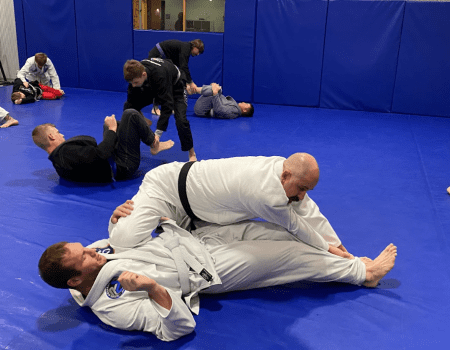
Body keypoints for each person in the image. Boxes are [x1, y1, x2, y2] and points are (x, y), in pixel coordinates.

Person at [38, 200, 398, 342]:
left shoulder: (97, 254)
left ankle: (350, 261)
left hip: (191, 239)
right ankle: (362, 274)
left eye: (83, 246)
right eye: (82, 256)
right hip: (207, 270)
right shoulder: (112, 305)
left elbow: (115, 242)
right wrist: (152, 289)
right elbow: (177, 328)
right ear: (75, 280)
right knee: (289, 256)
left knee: (276, 229)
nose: (91, 250)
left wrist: (116, 219)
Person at [108, 152, 355, 259]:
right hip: (167, 188)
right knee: (123, 240)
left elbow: (309, 211)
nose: (302, 196)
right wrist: (331, 250)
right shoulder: (265, 194)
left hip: (195, 214)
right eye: (302, 189)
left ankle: (161, 226)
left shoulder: (285, 169)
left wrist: (340, 246)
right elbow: (297, 226)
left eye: (307, 190)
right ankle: (118, 219)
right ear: (286, 176)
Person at [31, 109, 174, 183]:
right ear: (51, 137)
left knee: (113, 124)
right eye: (58, 132)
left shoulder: (58, 159)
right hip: (123, 166)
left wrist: (112, 128)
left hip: (112, 162)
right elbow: (102, 154)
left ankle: (138, 128)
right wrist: (112, 130)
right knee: (130, 115)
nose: (62, 134)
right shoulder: (66, 153)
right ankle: (153, 143)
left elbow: (93, 157)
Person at [123, 59, 197, 161]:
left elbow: (167, 107)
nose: (133, 85)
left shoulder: (159, 75)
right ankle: (153, 144)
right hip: (156, 84)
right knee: (128, 108)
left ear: (143, 74)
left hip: (176, 86)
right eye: (131, 82)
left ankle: (191, 153)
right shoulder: (137, 72)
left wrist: (157, 135)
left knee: (181, 120)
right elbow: (131, 99)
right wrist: (137, 114)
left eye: (135, 82)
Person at [148, 39, 204, 115]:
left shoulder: (184, 49)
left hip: (164, 57)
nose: (197, 54)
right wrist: (190, 82)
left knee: (172, 80)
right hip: (157, 55)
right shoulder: (186, 48)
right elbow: (184, 67)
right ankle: (155, 108)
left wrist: (186, 83)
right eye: (198, 51)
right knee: (160, 81)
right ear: (195, 47)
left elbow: (181, 68)